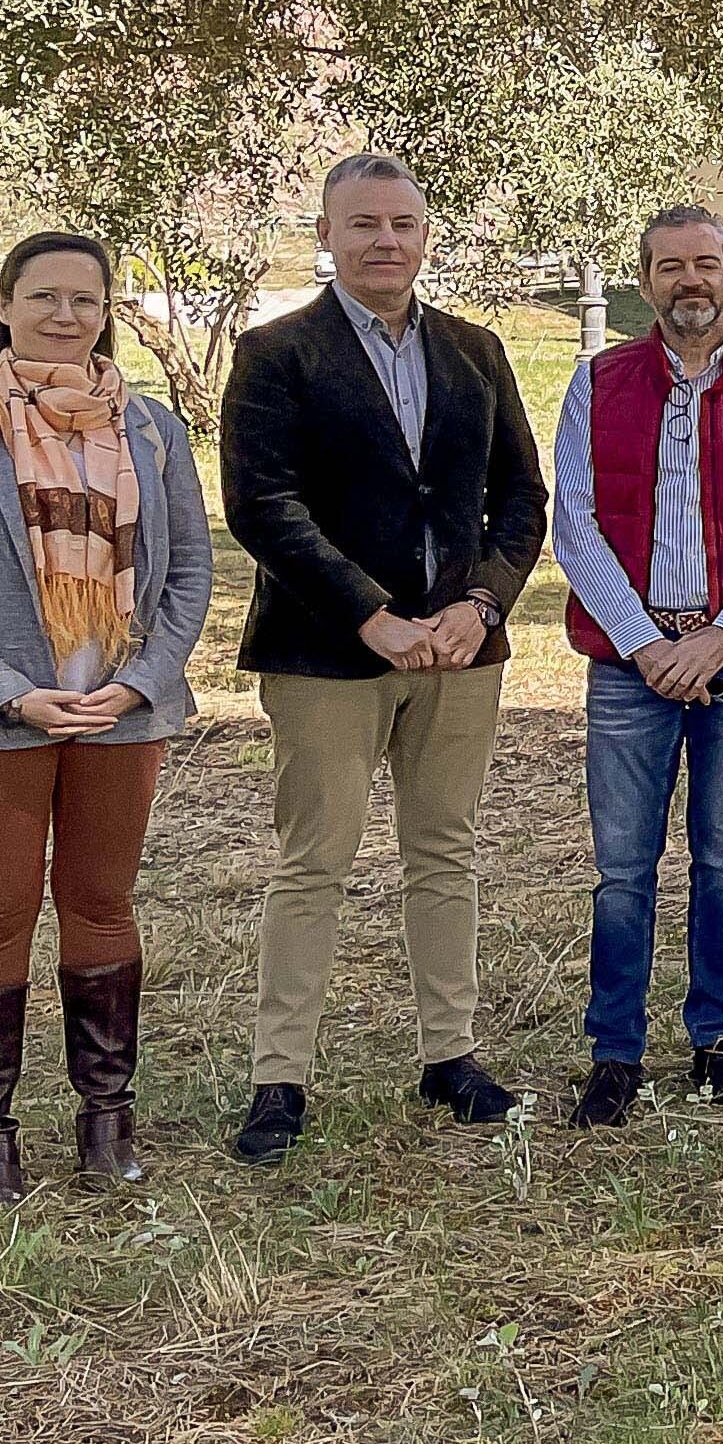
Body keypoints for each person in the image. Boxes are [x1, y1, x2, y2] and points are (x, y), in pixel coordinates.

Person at [219, 154, 548, 1163]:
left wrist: (481, 604)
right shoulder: (276, 352)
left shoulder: (475, 350)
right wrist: (371, 614)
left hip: (459, 651)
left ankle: (450, 1054)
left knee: (445, 851)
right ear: (327, 234)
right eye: (363, 223)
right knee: (313, 862)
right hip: (327, 652)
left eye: (403, 223)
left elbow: (521, 499)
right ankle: (281, 1076)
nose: (385, 241)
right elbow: (263, 505)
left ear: (426, 236)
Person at [0, 232, 214, 1205]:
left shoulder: (151, 428)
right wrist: (7, 690)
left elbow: (190, 573)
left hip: (121, 709)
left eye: (85, 299)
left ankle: (107, 1121)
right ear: (4, 304)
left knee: (102, 902)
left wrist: (142, 680)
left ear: (107, 312)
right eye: (44, 296)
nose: (66, 315)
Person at [548, 207, 723, 1126]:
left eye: (705, 264)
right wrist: (647, 644)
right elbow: (576, 525)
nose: (690, 282)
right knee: (624, 869)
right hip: (631, 663)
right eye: (670, 267)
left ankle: (716, 1036)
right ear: (645, 281)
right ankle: (615, 1051)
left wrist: (721, 637)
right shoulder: (597, 383)